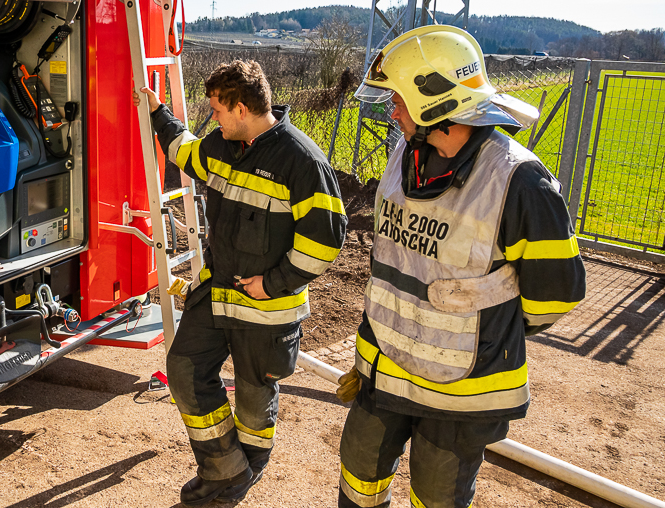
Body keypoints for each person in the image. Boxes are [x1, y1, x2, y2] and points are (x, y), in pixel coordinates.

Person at [335, 25, 586, 508]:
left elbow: (555, 295)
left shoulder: (518, 181)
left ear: (434, 103)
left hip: (463, 391)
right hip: (385, 368)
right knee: (359, 471)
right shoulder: (406, 156)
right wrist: (366, 359)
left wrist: (483, 330)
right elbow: (393, 267)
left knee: (437, 497)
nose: (392, 112)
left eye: (399, 101)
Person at [134, 59, 347, 506]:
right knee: (184, 372)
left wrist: (274, 283)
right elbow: (185, 150)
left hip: (268, 309)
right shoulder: (222, 144)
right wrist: (157, 112)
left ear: (242, 108)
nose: (212, 118)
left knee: (254, 399)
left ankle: (247, 469)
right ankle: (224, 469)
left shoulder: (302, 161)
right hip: (216, 297)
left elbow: (325, 240)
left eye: (217, 110)